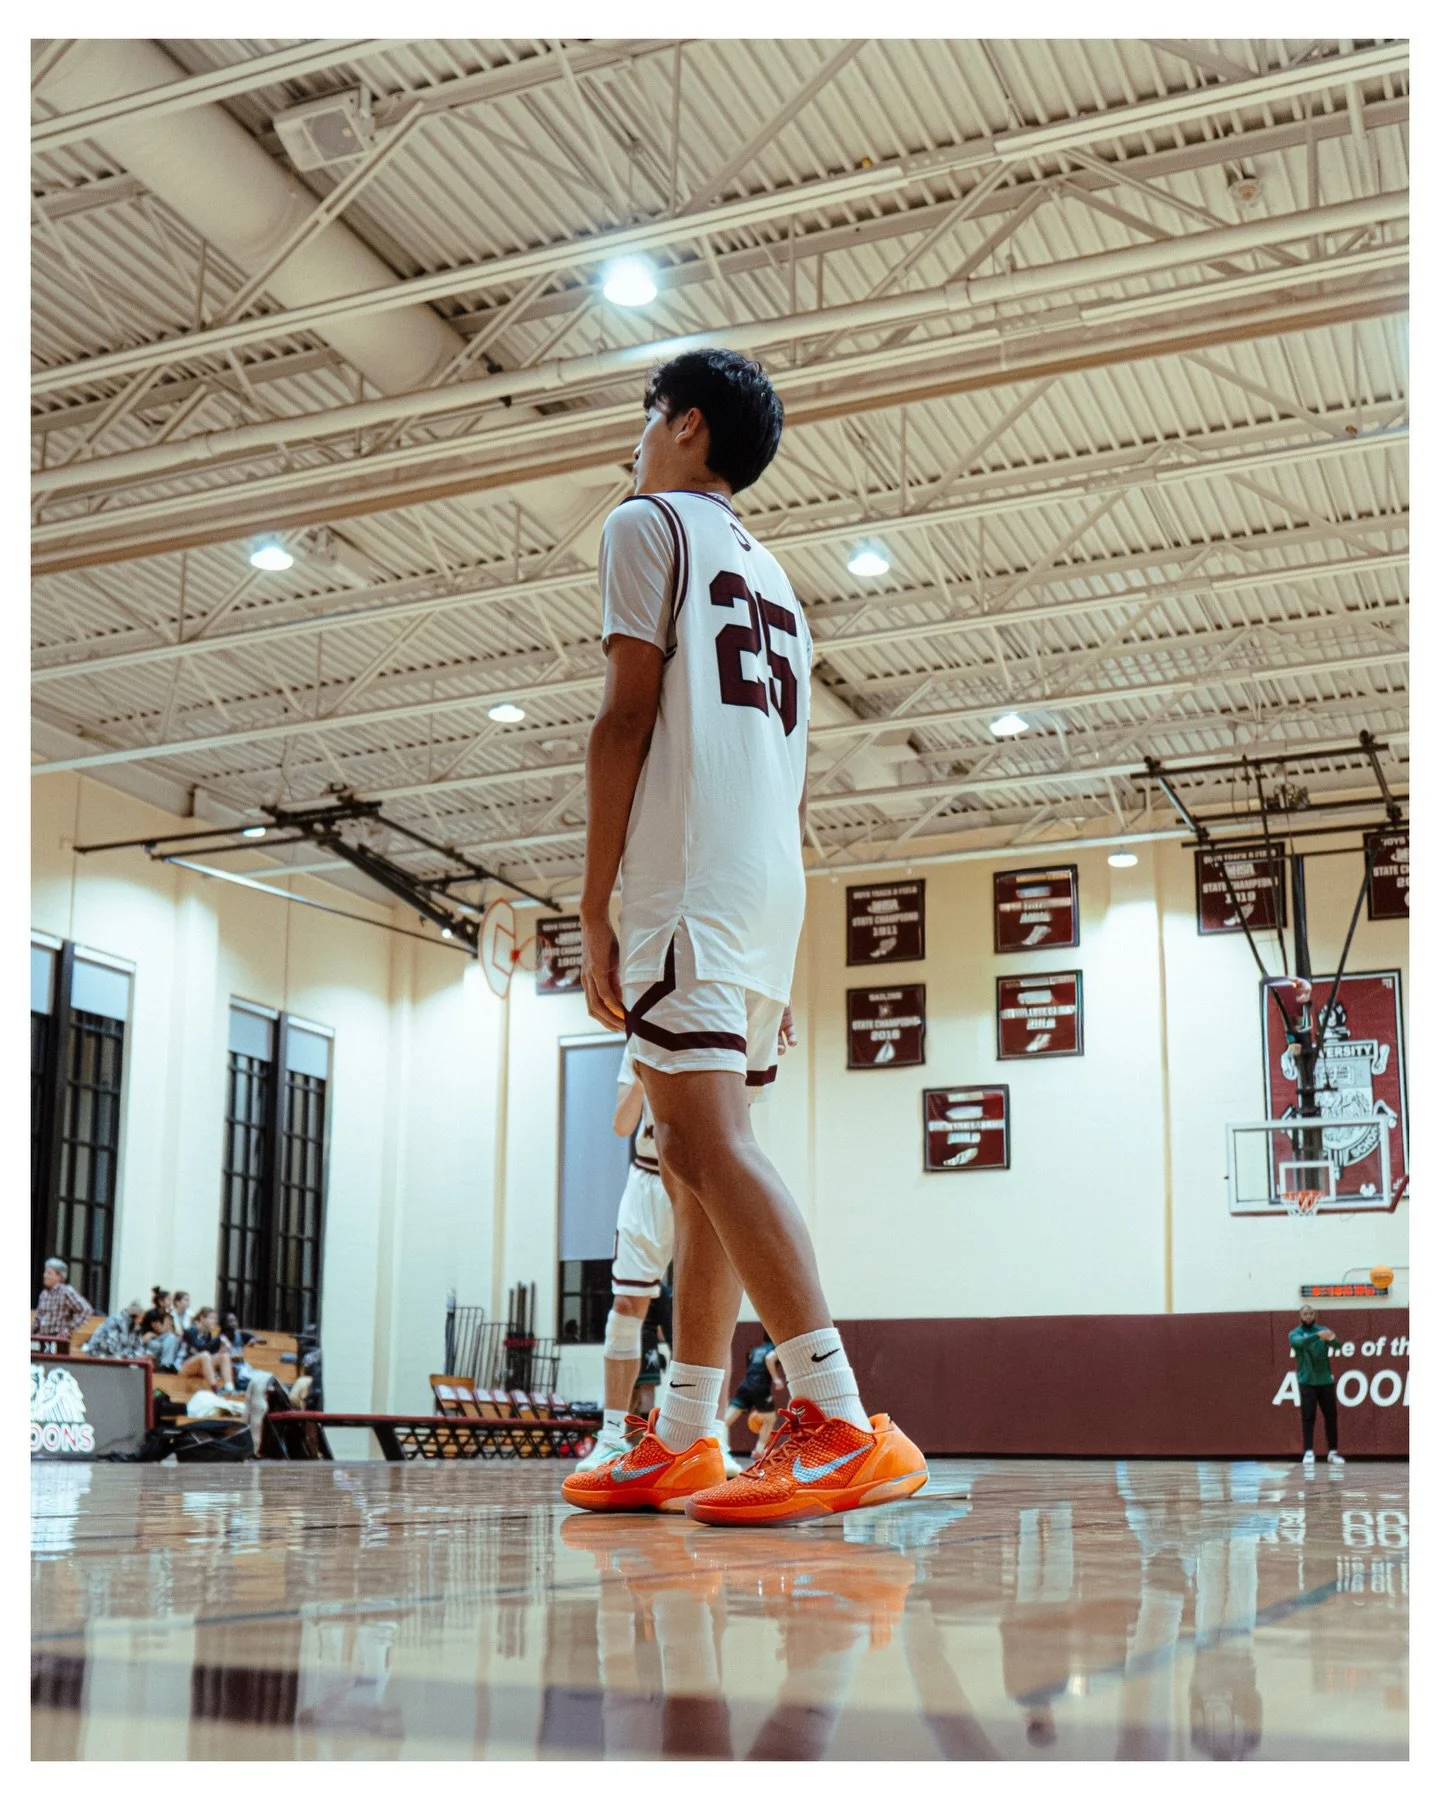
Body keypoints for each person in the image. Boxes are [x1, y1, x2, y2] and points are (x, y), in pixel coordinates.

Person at [564, 348, 927, 1523]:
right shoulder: (780, 584)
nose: (633, 441)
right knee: (689, 1156)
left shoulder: (645, 526)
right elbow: (795, 778)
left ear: (684, 423)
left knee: (707, 1146)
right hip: (768, 878)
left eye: (644, 417)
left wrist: (594, 902)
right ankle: (683, 1432)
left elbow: (624, 720)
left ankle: (830, 1411)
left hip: (694, 874)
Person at [573, 1044, 740, 1476]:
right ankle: (612, 1435)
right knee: (627, 1306)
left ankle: (713, 1432)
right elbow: (621, 1123)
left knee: (710, 1310)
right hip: (647, 1180)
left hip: (701, 1177)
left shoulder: (711, 1025)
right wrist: (647, 1070)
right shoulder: (640, 1043)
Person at [1289, 1303, 1345, 1466]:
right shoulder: (1295, 1333)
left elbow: (1338, 1346)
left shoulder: (1322, 1329)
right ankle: (1308, 1452)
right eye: (1305, 1314)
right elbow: (1300, 1343)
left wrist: (1332, 1339)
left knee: (1331, 1416)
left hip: (1325, 1381)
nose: (1309, 1316)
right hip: (1307, 1381)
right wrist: (1319, 1336)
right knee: (1308, 1417)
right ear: (1300, 1316)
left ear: (1315, 1315)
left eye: (1311, 1313)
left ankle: (1333, 1452)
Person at [723, 1337, 785, 1459]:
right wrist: (776, 1378)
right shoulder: (775, 1348)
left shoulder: (756, 1350)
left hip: (746, 1384)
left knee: (726, 1420)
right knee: (769, 1419)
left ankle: (717, 1447)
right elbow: (769, 1358)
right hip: (760, 1386)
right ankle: (759, 1451)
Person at [181, 1306, 237, 1395]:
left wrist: (221, 1349)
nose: (214, 1321)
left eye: (215, 1319)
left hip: (200, 1364)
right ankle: (215, 1388)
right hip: (184, 1365)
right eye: (211, 1318)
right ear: (202, 1318)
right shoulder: (191, 1330)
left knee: (224, 1355)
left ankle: (229, 1388)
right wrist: (219, 1339)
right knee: (205, 1355)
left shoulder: (207, 1334)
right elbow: (200, 1349)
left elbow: (210, 1351)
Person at [33, 1258, 91, 1343]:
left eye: (49, 1273)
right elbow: (38, 1319)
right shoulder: (43, 1294)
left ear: (59, 1276)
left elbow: (86, 1310)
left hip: (57, 1339)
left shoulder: (66, 1291)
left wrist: (67, 1330)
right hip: (42, 1338)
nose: (45, 1275)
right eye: (45, 1272)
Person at [83, 1297, 148, 1360]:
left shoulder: (135, 1328)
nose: (141, 1321)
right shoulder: (115, 1322)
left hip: (117, 1359)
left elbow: (139, 1348)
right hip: (99, 1356)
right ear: (134, 1316)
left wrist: (133, 1354)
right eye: (140, 1318)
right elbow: (112, 1349)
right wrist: (131, 1354)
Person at [141, 1288, 183, 1370]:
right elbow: (161, 1330)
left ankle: (170, 1365)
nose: (171, 1302)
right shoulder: (152, 1313)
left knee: (176, 1340)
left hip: (163, 1340)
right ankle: (165, 1365)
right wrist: (168, 1318)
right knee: (170, 1339)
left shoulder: (168, 1314)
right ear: (161, 1302)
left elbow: (171, 1331)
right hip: (150, 1341)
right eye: (169, 1300)